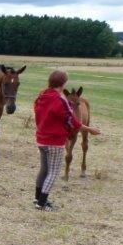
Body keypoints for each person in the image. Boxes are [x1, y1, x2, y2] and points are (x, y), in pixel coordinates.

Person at [33, 70, 101, 211]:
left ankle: (37, 199)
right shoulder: (60, 100)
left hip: (41, 139)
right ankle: (42, 203)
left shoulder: (41, 96)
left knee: (44, 170)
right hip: (55, 141)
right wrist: (89, 129)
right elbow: (71, 121)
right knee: (53, 172)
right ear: (63, 84)